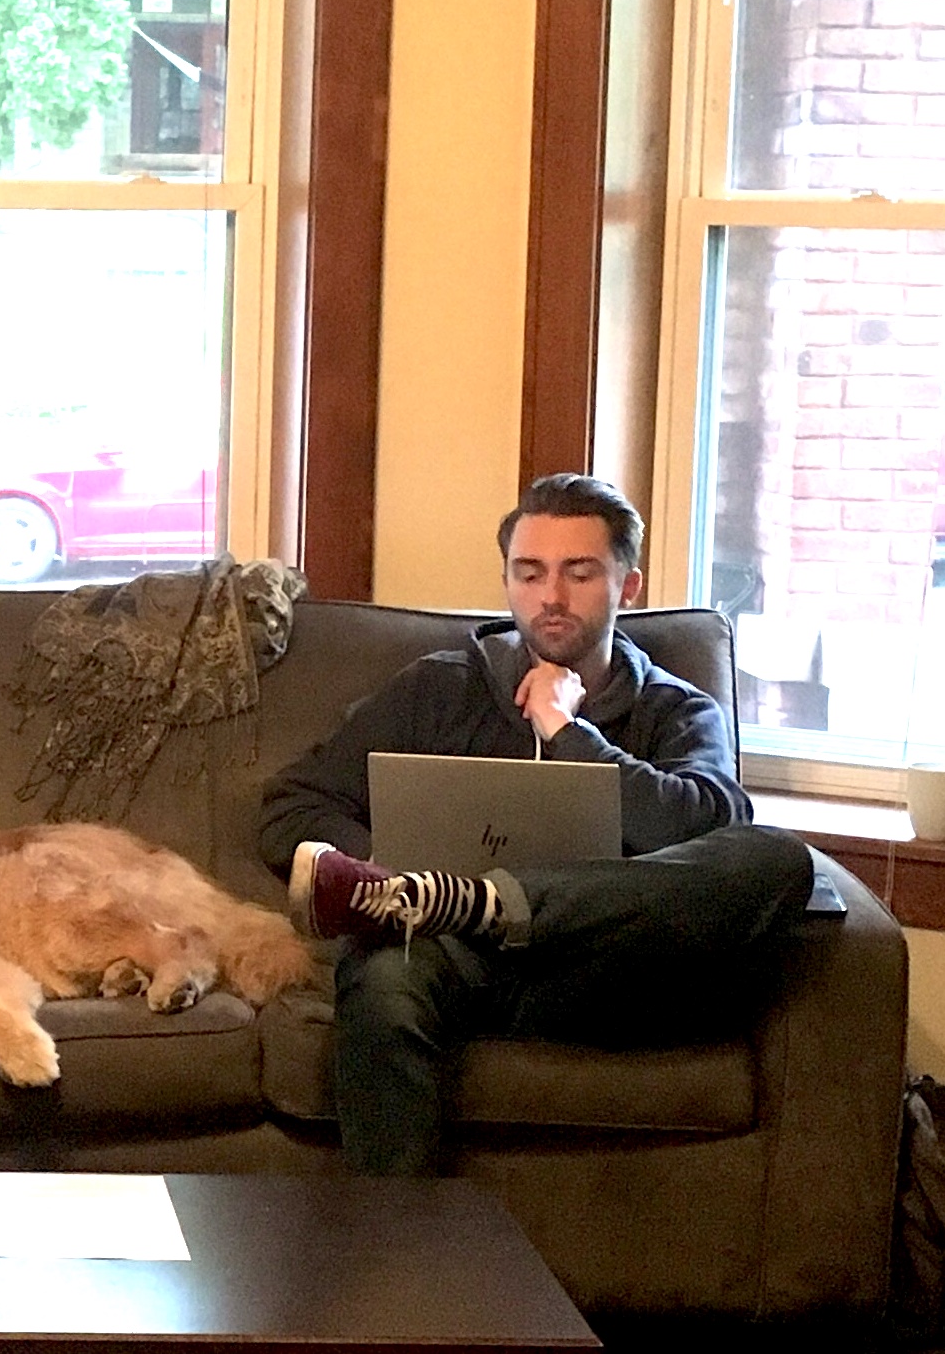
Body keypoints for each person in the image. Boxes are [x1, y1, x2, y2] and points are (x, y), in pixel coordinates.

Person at [258, 473, 814, 1176]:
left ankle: (480, 900)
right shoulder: (440, 688)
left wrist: (568, 730)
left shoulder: (676, 710)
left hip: (607, 972)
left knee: (778, 859)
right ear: (507, 582)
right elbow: (291, 804)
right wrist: (384, 863)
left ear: (628, 585)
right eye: (529, 573)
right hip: (454, 957)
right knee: (384, 978)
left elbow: (706, 823)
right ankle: (398, 1244)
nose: (551, 596)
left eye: (579, 573)